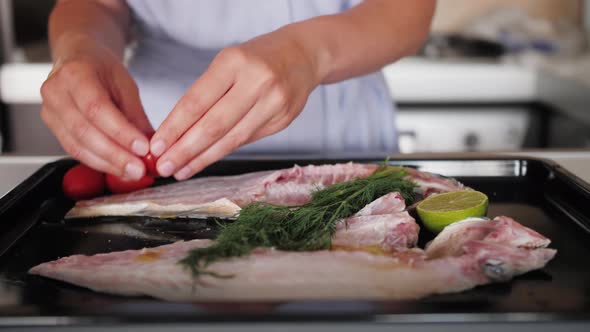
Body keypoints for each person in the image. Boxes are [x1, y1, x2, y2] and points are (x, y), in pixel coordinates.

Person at [41, 0, 435, 181]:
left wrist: (307, 54)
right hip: (158, 138)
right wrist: (80, 46)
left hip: (339, 133)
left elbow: (405, 9)